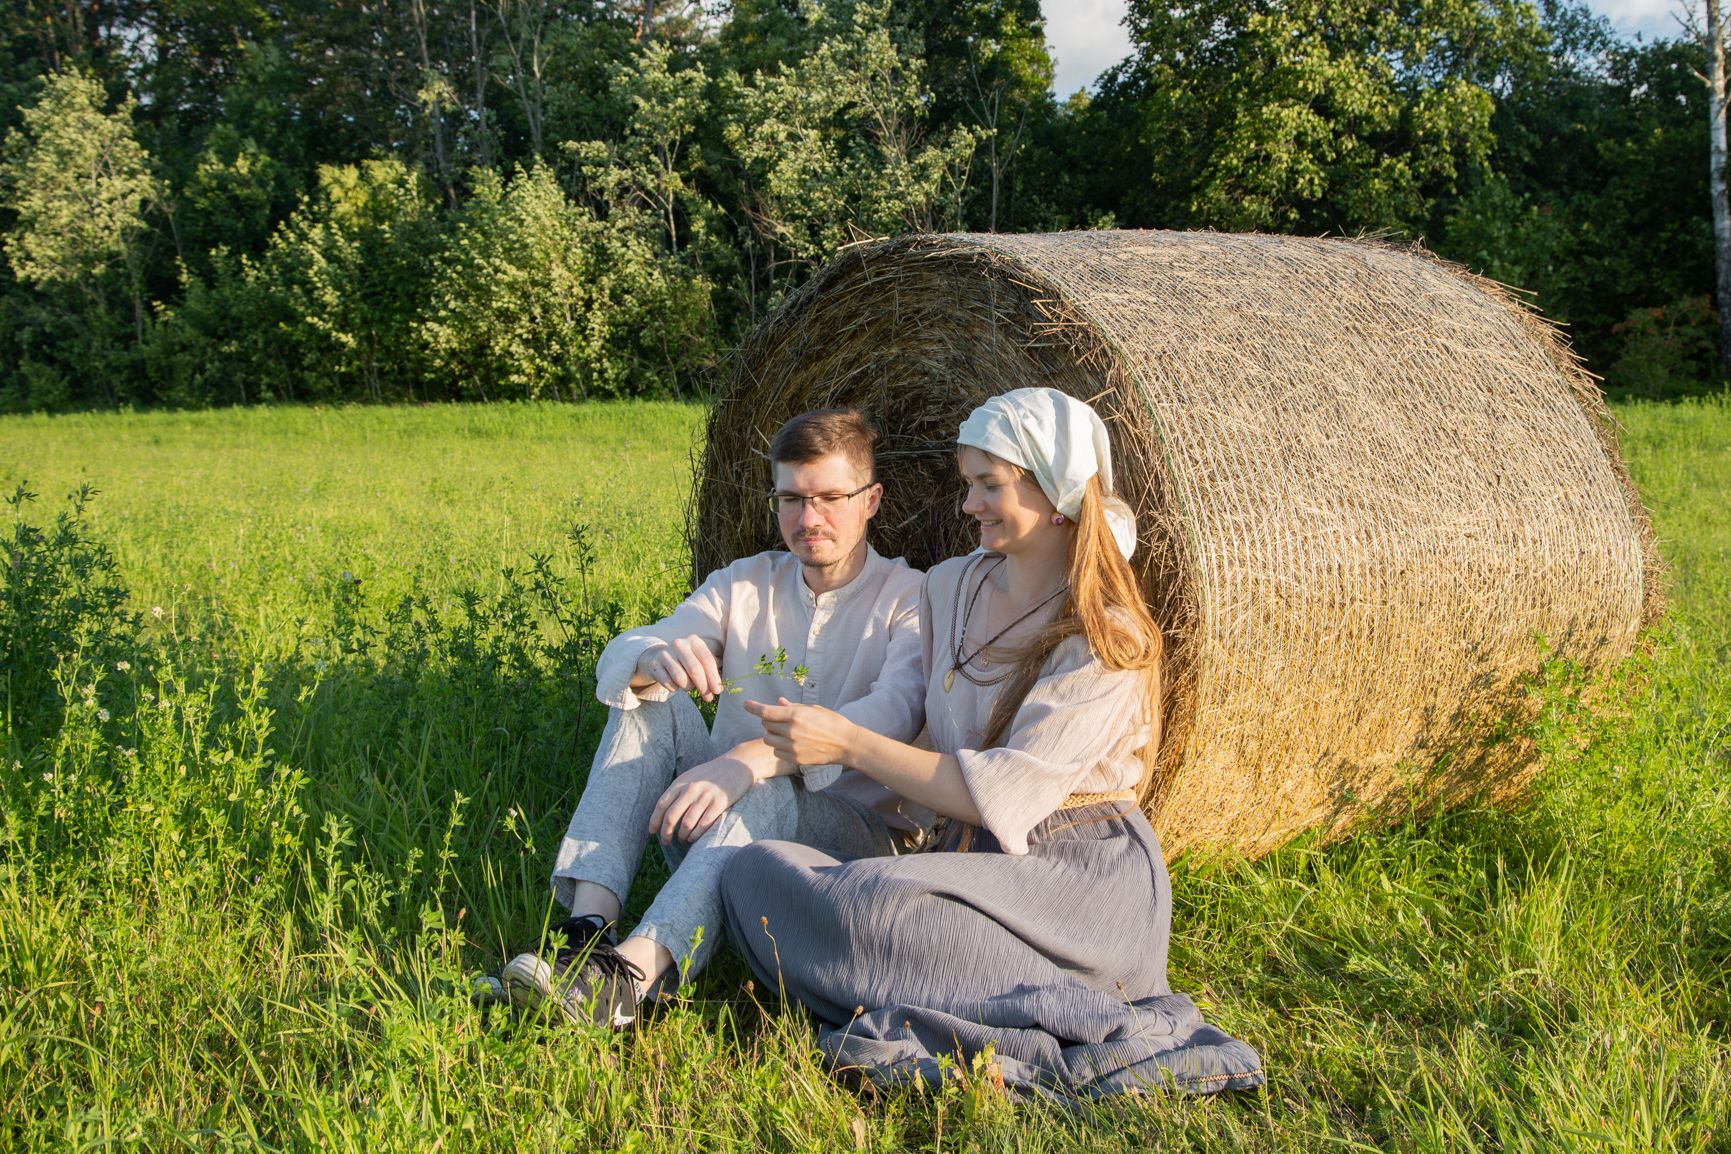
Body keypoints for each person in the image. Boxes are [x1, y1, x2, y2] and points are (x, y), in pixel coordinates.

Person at [722, 388, 1265, 1099]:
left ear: (1056, 490)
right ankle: (951, 986)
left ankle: (1059, 1005)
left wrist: (846, 743)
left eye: (989, 484)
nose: (967, 504)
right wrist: (770, 753)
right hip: (970, 865)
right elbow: (902, 704)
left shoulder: (1105, 636)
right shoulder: (948, 587)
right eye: (966, 483)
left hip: (1079, 886)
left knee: (862, 911)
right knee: (752, 874)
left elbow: (998, 797)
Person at [497, 407, 929, 1028]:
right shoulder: (744, 583)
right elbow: (621, 662)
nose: (809, 519)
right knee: (649, 698)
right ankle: (587, 934)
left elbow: (893, 710)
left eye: (831, 497)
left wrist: (750, 760)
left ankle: (632, 983)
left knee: (769, 789)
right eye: (791, 498)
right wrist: (656, 655)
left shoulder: (910, 598)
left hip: (852, 854)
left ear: (872, 499)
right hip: (713, 823)